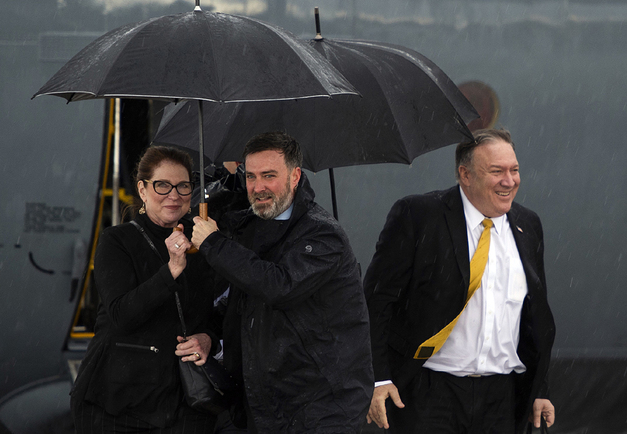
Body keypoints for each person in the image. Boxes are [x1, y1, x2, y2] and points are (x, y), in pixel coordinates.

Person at [364, 128, 556, 433]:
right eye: (497, 171)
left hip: (503, 400)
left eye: (514, 170)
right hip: (429, 394)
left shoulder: (528, 224)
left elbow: (535, 316)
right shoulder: (419, 214)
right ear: (465, 175)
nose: (509, 181)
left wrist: (540, 389)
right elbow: (377, 301)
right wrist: (378, 378)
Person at [190, 131, 374, 433]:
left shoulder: (323, 235)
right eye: (250, 176)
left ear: (295, 176)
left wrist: (215, 244)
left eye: (269, 175)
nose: (258, 187)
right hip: (262, 404)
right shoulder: (248, 226)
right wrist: (210, 336)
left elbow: (279, 286)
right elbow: (236, 300)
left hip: (322, 407)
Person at [70, 146, 218, 433]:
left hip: (183, 405)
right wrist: (172, 270)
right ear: (143, 189)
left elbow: (216, 314)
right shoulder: (117, 241)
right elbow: (121, 315)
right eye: (162, 185)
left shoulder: (203, 244)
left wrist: (208, 338)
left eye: (183, 186)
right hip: (118, 403)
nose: (174, 195)